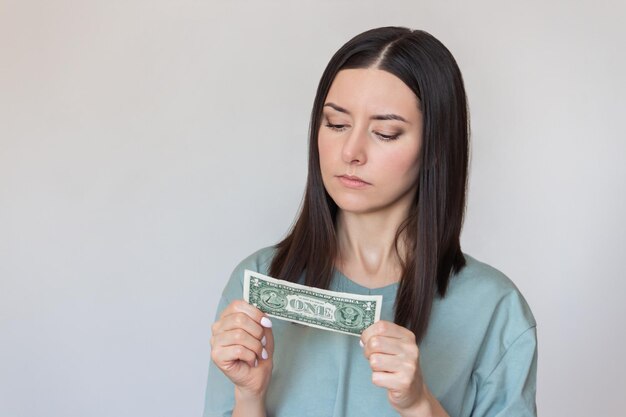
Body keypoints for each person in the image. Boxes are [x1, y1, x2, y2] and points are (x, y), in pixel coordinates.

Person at [203, 26, 537, 417]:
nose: (351, 151)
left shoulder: (494, 309)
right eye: (336, 124)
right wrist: (249, 396)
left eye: (385, 132)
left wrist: (419, 405)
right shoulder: (256, 282)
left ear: (434, 148)